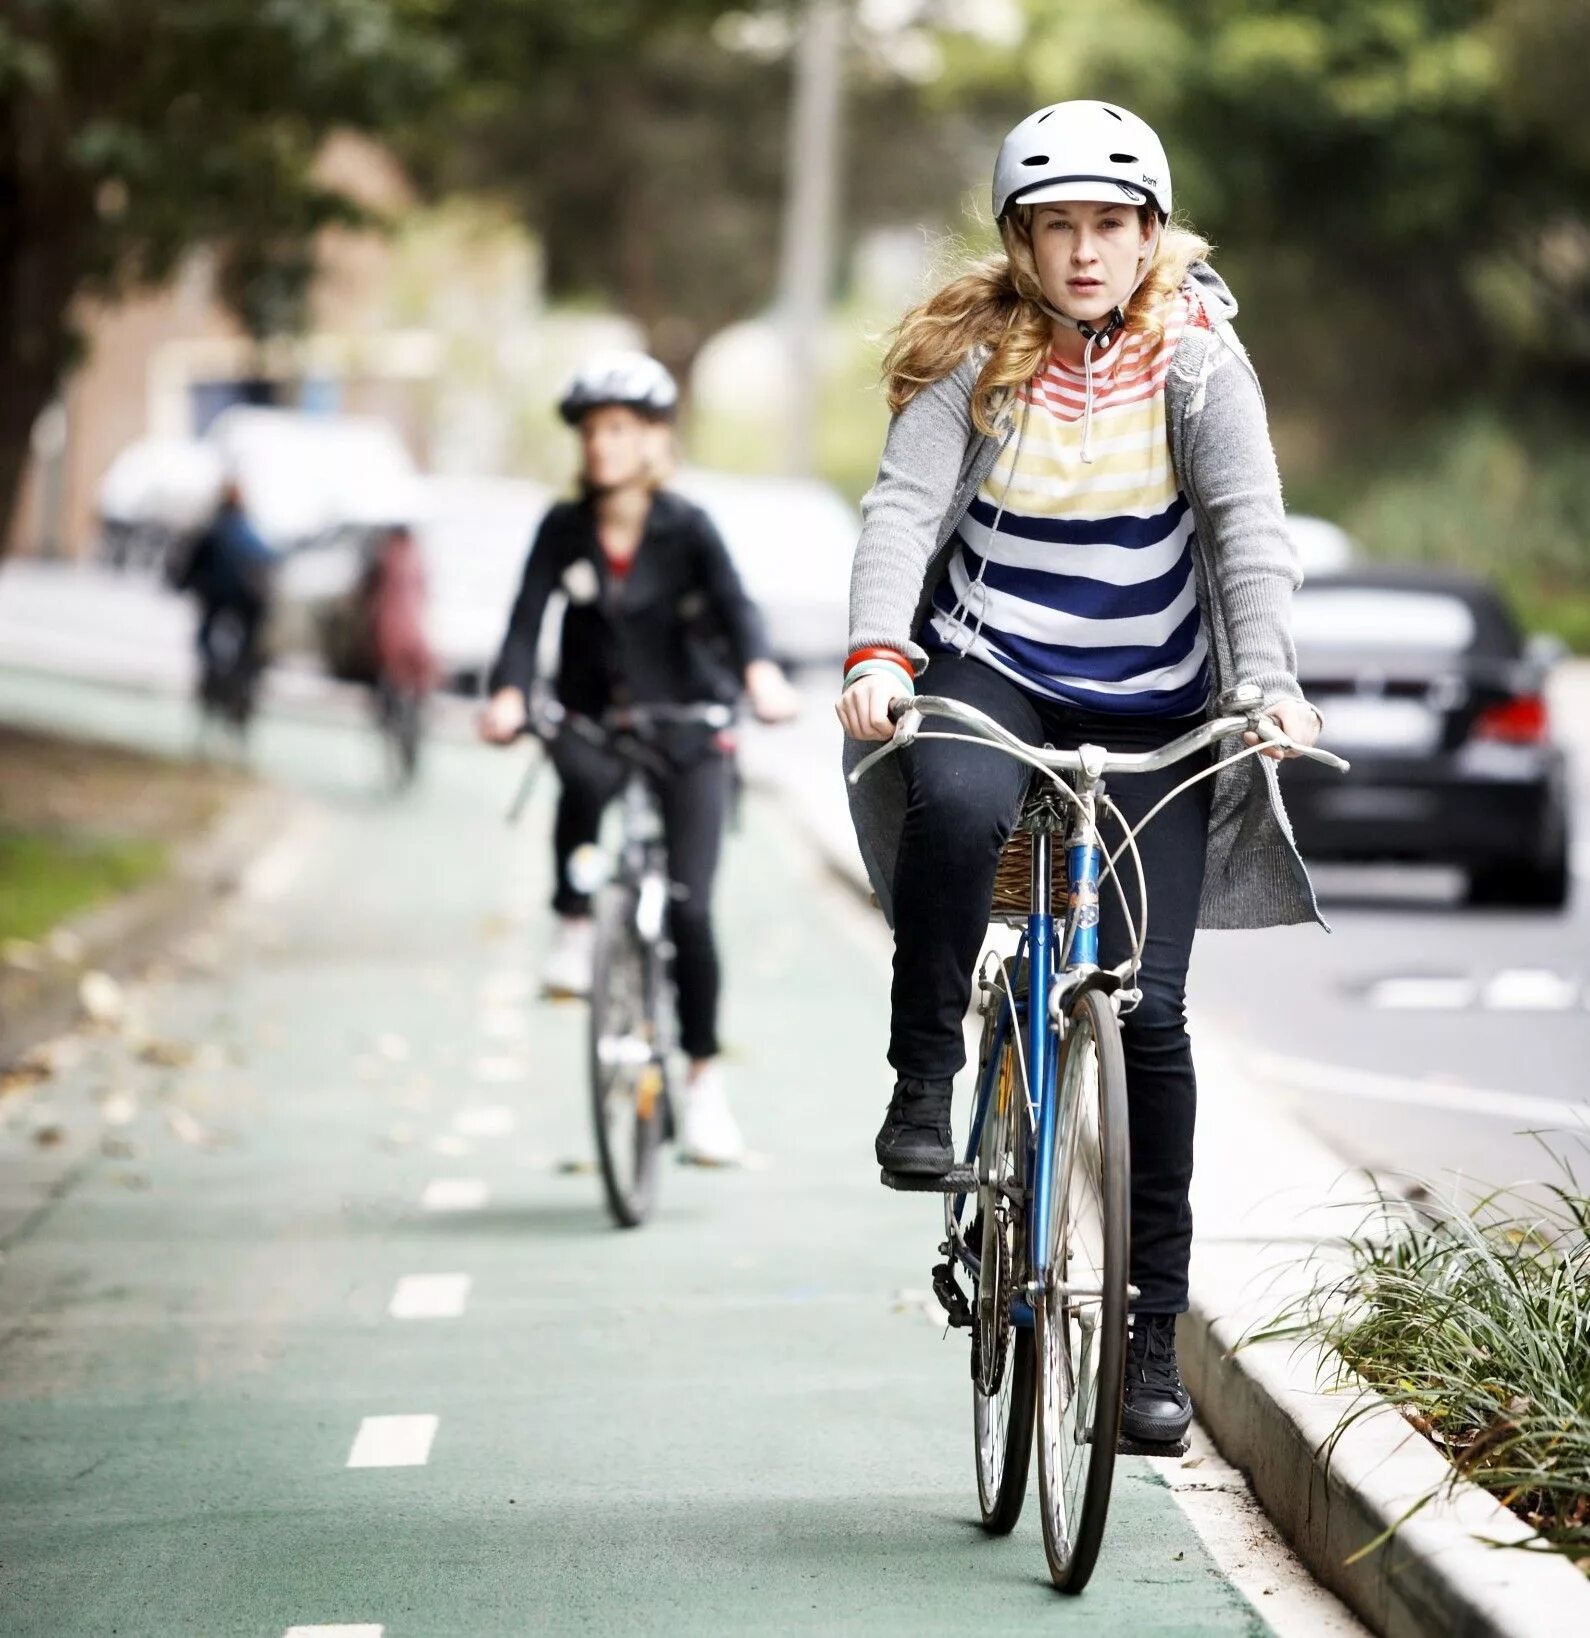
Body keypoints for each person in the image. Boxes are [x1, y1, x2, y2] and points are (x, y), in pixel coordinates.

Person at [837, 101, 1325, 1446]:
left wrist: (1265, 682)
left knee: (1150, 1017)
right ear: (1022, 242)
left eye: (1109, 224)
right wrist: (882, 650)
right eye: (1057, 226)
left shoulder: (1201, 363)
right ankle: (922, 1073)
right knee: (947, 792)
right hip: (997, 662)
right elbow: (899, 505)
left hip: (1158, 699)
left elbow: (1247, 527)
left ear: (1149, 235)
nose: (1084, 249)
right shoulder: (976, 363)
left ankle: (1148, 1342)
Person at [478, 350, 800, 1165]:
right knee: (577, 776)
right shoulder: (563, 528)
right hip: (598, 718)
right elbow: (524, 619)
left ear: (653, 439)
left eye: (618, 429)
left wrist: (761, 678)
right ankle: (574, 917)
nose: (600, 446)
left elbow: (737, 609)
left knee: (690, 910)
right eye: (590, 431)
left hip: (690, 726)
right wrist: (510, 694)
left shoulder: (686, 527)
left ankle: (701, 1085)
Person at [171, 478, 277, 731]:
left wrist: (184, 583)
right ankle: (234, 699)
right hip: (243, 605)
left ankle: (216, 693)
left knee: (210, 647)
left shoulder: (214, 528)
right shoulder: (245, 531)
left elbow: (189, 563)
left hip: (219, 601)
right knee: (242, 653)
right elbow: (268, 559)